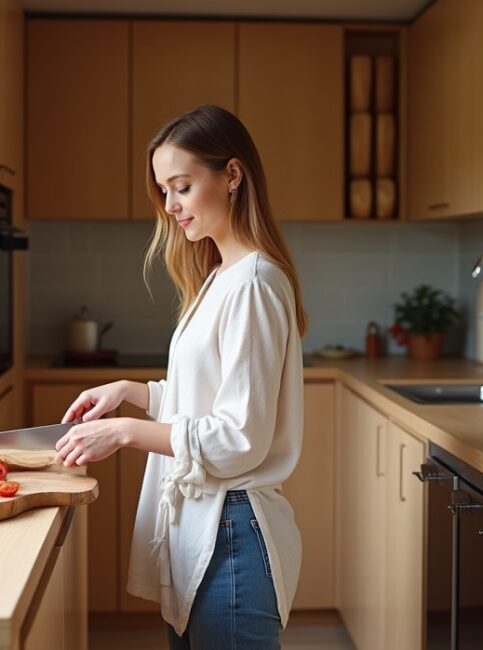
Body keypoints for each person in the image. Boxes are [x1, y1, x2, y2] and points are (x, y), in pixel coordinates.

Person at [54, 104, 307, 649]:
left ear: (232, 175)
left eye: (182, 187)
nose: (170, 206)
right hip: (204, 525)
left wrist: (125, 432)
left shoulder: (254, 283)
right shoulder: (220, 276)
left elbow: (238, 437)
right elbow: (210, 396)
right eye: (164, 191)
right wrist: (133, 393)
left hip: (232, 533)